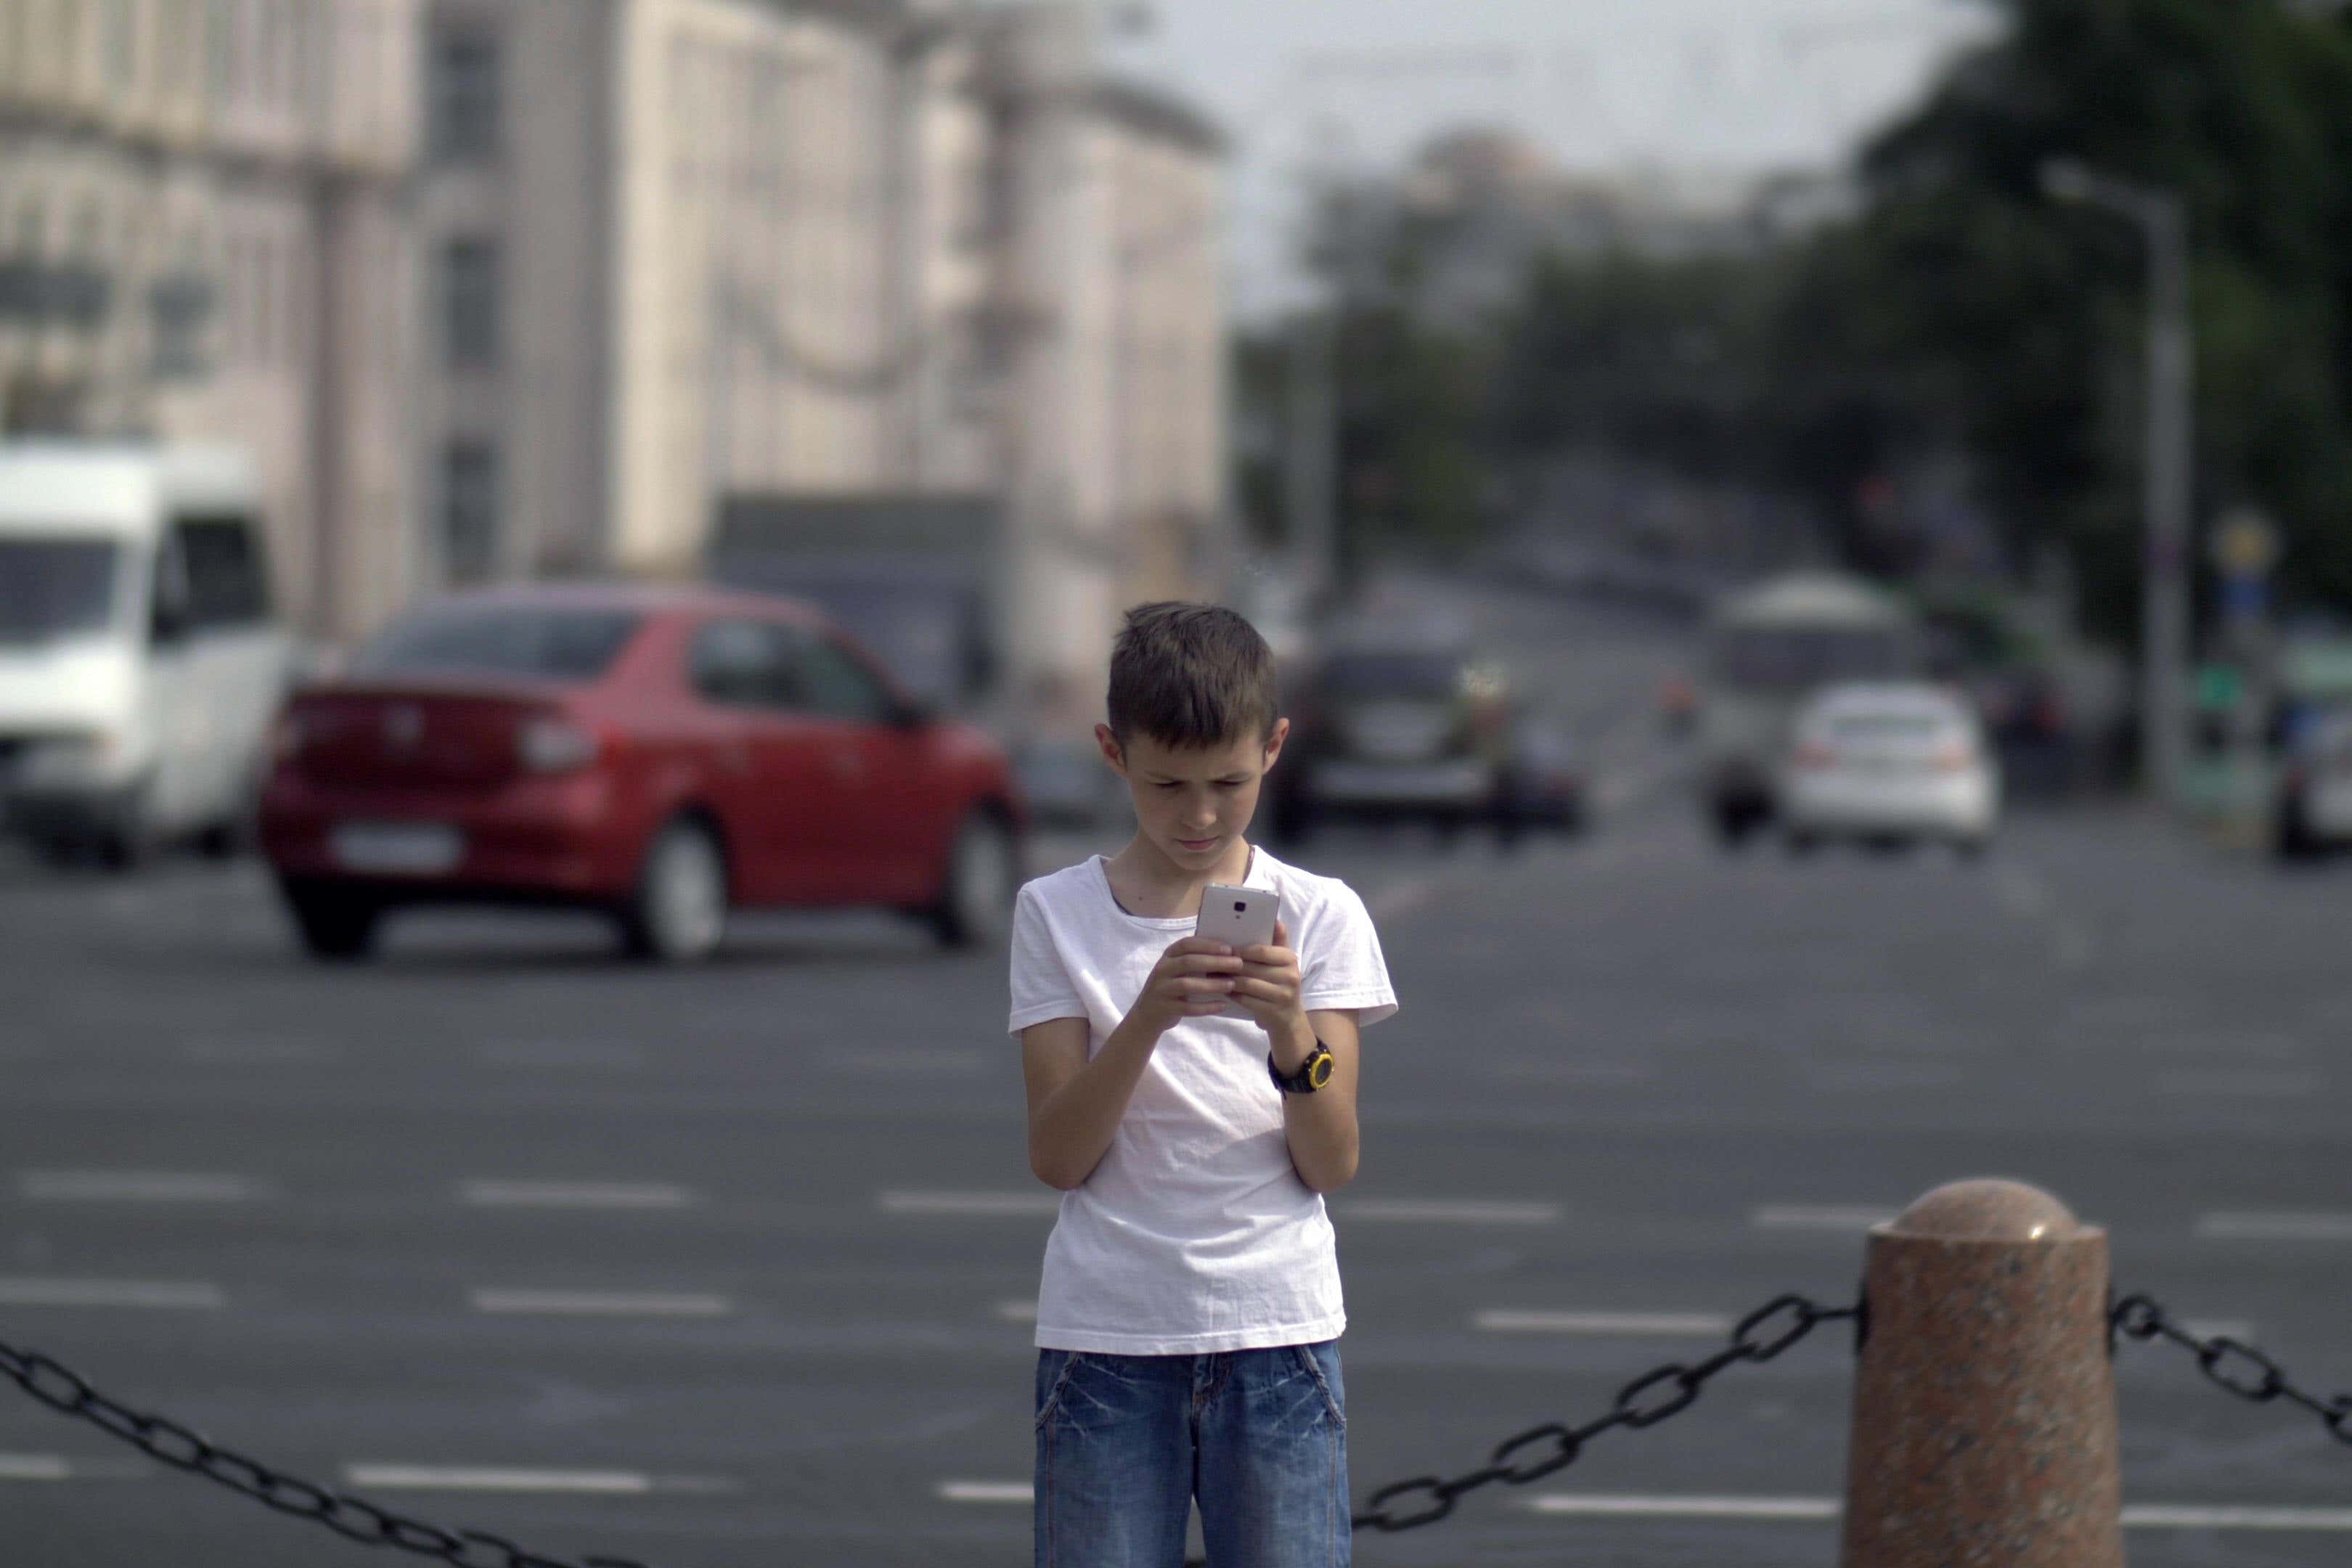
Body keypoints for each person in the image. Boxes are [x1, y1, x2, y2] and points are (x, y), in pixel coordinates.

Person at [1009, 602, 1398, 1567]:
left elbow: (1331, 1159)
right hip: (1106, 1336)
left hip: (1278, 1332)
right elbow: (1060, 1156)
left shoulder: (1323, 914)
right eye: (1166, 784)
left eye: (1228, 781)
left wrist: (1289, 1030)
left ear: (1274, 748)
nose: (1201, 815)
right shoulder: (1054, 912)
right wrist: (1146, 1015)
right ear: (1112, 752)